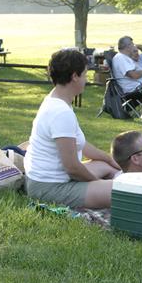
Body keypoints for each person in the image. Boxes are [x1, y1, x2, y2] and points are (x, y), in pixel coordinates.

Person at [24, 50, 121, 208]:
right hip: (49, 188)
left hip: (46, 181)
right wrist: (96, 183)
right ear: (75, 76)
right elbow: (72, 168)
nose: (86, 79)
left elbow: (77, 143)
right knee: (125, 192)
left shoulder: (57, 100)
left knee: (105, 166)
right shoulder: (60, 112)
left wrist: (108, 158)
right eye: (84, 74)